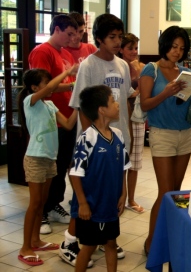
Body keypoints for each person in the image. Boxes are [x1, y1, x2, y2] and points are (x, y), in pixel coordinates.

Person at [140, 25, 191, 255]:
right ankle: (151, 243)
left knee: (176, 192)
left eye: (181, 48)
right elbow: (144, 104)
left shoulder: (184, 71)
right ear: (165, 45)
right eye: (173, 46)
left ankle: (167, 239)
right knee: (165, 192)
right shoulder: (151, 70)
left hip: (185, 133)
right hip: (162, 133)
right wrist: (166, 92)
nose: (177, 51)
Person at [69, 13, 132, 260]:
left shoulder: (123, 65)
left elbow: (124, 101)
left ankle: (107, 237)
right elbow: (82, 106)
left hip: (118, 136)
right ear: (99, 39)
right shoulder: (89, 65)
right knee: (90, 193)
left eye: (120, 37)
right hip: (95, 142)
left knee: (113, 192)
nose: (117, 42)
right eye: (112, 37)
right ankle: (76, 240)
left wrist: (127, 136)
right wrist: (91, 138)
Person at [17, 68, 78, 266]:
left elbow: (68, 125)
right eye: (45, 83)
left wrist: (79, 104)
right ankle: (25, 247)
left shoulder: (50, 105)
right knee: (34, 203)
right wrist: (69, 72)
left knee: (42, 202)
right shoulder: (30, 102)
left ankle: (35, 241)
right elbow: (53, 87)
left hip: (50, 158)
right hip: (35, 158)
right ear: (35, 88)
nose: (50, 87)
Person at [69, 85, 130, 272]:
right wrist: (82, 203)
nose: (118, 104)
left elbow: (124, 167)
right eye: (113, 100)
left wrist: (124, 192)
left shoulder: (118, 135)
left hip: (109, 204)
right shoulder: (88, 137)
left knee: (111, 243)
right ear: (102, 109)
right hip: (91, 205)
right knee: (89, 246)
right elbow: (75, 173)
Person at [28, 14, 79, 235]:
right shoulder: (42, 52)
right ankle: (43, 213)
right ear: (56, 29)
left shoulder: (65, 53)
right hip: (49, 120)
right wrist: (71, 86)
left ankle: (54, 203)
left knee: (62, 166)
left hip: (65, 116)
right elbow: (43, 88)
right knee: (50, 169)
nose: (72, 38)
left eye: (75, 34)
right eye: (69, 34)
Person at [59, 11, 98, 268]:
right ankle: (69, 241)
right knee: (82, 190)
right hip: (78, 126)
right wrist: (89, 134)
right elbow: (81, 102)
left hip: (99, 131)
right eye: (71, 32)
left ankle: (93, 237)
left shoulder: (93, 52)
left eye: (80, 30)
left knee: (99, 191)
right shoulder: (84, 65)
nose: (77, 37)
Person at [118, 33, 145, 214]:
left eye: (136, 48)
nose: (134, 51)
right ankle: (120, 196)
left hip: (137, 116)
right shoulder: (119, 67)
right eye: (130, 48)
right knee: (121, 160)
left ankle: (131, 198)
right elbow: (127, 93)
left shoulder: (141, 66)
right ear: (121, 49)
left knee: (135, 160)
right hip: (120, 117)